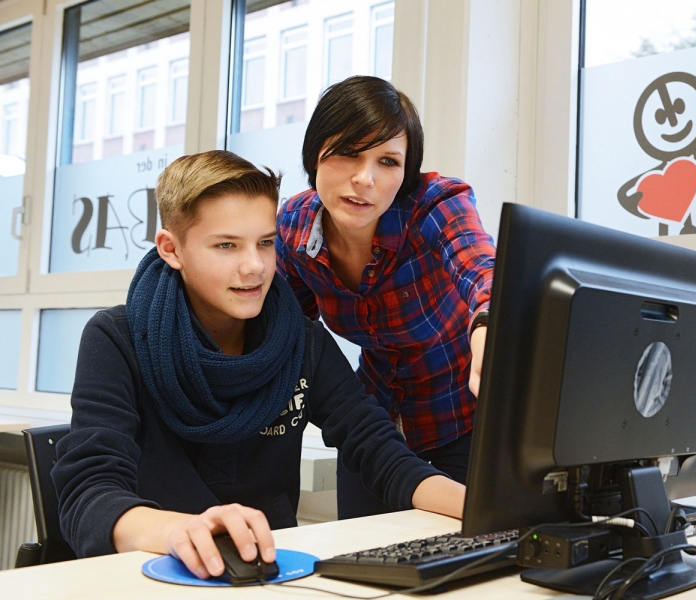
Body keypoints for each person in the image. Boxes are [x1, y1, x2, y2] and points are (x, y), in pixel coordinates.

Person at [51, 150, 465, 580]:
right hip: (147, 574)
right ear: (172, 249)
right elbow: (89, 494)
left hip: (265, 576)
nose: (255, 267)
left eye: (266, 243)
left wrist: (483, 508)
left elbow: (380, 450)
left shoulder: (301, 340)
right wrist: (178, 530)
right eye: (226, 245)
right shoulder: (115, 338)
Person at [276, 76, 495, 518]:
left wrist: (491, 325)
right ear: (314, 155)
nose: (365, 179)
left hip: (465, 419)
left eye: (388, 161)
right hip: (374, 428)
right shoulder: (294, 228)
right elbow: (288, 334)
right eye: (347, 154)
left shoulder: (436, 204)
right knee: (364, 561)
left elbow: (482, 270)